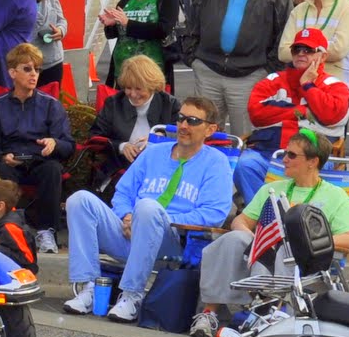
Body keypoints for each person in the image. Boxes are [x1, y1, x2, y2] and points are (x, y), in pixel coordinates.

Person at [62, 95, 232, 323]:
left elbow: (214, 214)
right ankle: (90, 288)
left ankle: (132, 295)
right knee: (79, 199)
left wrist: (155, 219)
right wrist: (127, 215)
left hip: (170, 241)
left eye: (192, 121)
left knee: (147, 207)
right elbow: (122, 193)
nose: (183, 125)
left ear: (210, 129)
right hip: (128, 231)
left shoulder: (216, 162)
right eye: (181, 118)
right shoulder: (154, 152)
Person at [188, 128, 349, 337]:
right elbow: (240, 221)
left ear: (312, 162)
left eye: (291, 155)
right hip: (263, 254)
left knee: (285, 248)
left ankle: (270, 312)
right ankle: (210, 314)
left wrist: (307, 241)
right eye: (284, 153)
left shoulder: (336, 196)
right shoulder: (273, 188)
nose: (284, 159)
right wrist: (253, 239)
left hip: (306, 263)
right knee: (234, 239)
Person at [180, 0, 289, 136]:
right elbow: (192, 20)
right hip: (208, 71)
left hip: (249, 76)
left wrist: (268, 69)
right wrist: (193, 58)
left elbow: (284, 34)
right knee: (204, 135)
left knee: (244, 138)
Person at [232, 27, 349, 200]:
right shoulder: (272, 80)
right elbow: (256, 113)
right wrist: (302, 112)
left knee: (307, 167)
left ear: (323, 56)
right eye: (297, 49)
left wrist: (308, 86)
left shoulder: (335, 85)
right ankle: (265, 217)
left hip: (313, 158)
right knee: (245, 165)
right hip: (269, 153)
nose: (301, 54)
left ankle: (297, 219)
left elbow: (331, 115)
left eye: (308, 50)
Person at [0, 44, 73, 253]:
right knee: (0, 171)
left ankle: (46, 231)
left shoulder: (51, 105)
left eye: (37, 70)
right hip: (9, 162)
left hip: (40, 161)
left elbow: (68, 145)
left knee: (52, 169)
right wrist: (3, 156)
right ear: (12, 73)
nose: (34, 75)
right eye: (27, 69)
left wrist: (54, 144)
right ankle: (5, 229)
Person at [92, 54, 180, 190]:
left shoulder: (170, 104)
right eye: (128, 88)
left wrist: (160, 139)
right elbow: (94, 137)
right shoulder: (113, 103)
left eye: (138, 89)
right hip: (121, 166)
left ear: (152, 86)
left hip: (162, 167)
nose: (132, 94)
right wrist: (122, 146)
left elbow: (184, 136)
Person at [104, 0, 183, 89]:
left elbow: (163, 30)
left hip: (151, 75)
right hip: (121, 72)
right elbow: (115, 34)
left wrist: (128, 24)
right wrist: (111, 24)